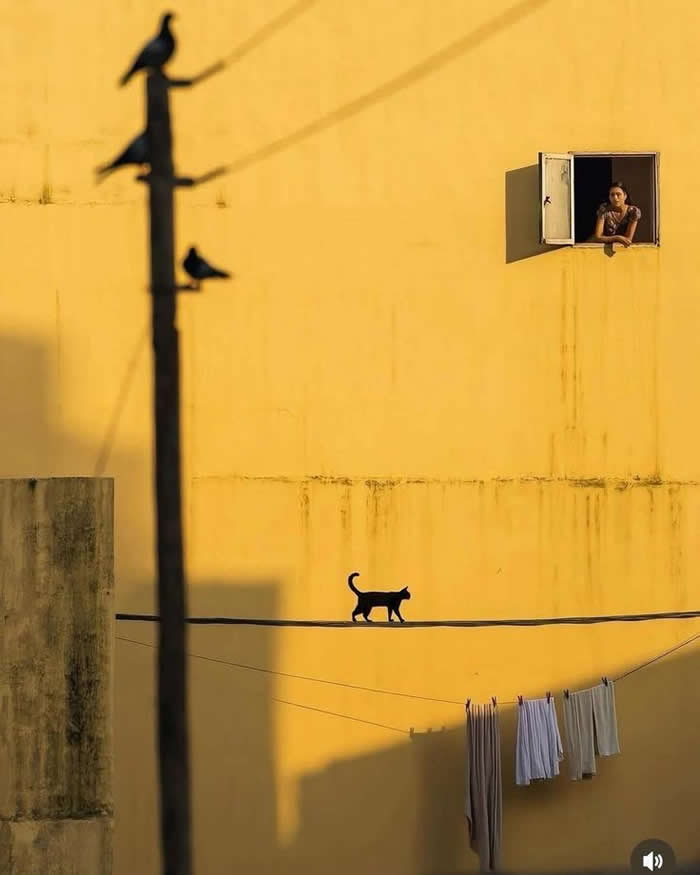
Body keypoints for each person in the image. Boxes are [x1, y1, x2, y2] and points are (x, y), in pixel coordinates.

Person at [592, 182, 641, 247]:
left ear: (625, 196)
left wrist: (608, 239)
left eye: (618, 194)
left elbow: (628, 239)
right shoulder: (604, 210)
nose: (615, 198)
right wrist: (618, 238)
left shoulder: (633, 212)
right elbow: (598, 237)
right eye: (612, 195)